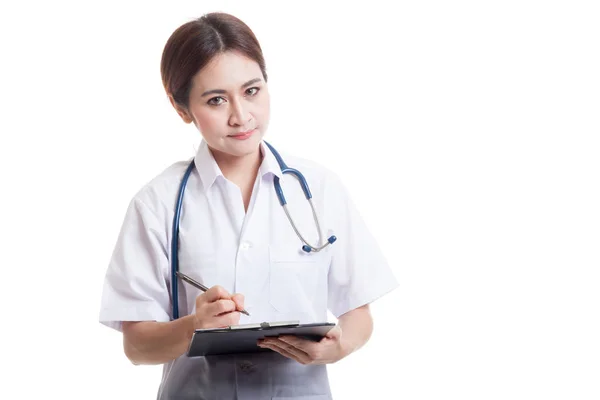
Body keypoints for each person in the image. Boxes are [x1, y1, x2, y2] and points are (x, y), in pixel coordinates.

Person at [99, 12, 398, 400]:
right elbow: (137, 346)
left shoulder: (320, 189)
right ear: (182, 108)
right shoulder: (157, 203)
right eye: (216, 100)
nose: (241, 116)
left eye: (252, 91)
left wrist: (338, 347)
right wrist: (194, 325)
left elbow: (358, 313)